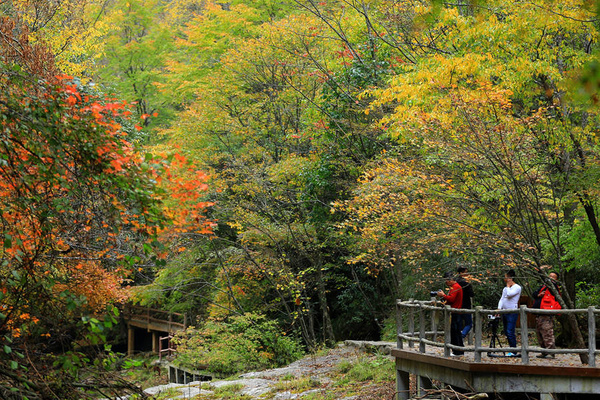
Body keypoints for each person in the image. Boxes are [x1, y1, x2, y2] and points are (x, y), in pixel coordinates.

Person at [532, 272, 560, 358]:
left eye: (553, 277)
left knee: (547, 332)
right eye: (550, 276)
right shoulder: (543, 286)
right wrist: (538, 295)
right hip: (539, 314)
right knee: (539, 333)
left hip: (547, 314)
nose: (550, 277)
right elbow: (534, 294)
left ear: (556, 279)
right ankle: (544, 351)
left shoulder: (553, 287)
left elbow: (553, 288)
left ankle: (551, 352)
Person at [437, 272, 464, 356]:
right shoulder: (453, 287)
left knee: (455, 332)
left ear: (450, 280)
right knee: (455, 332)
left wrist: (443, 295)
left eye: (446, 280)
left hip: (456, 312)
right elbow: (450, 300)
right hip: (454, 311)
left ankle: (457, 351)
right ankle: (457, 350)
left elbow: (451, 299)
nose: (446, 282)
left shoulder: (456, 287)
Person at [497, 269, 521, 357]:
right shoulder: (505, 288)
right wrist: (499, 308)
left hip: (512, 311)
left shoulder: (517, 287)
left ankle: (513, 350)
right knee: (507, 331)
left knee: (510, 331)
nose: (505, 279)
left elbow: (509, 294)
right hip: (504, 311)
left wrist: (507, 286)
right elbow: (502, 298)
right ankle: (512, 349)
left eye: (506, 277)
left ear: (510, 278)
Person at [456, 266, 474, 339]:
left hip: (457, 305)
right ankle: (461, 336)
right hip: (466, 305)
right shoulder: (466, 283)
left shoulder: (455, 282)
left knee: (459, 324)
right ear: (461, 273)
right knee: (469, 324)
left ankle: (458, 338)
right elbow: (471, 294)